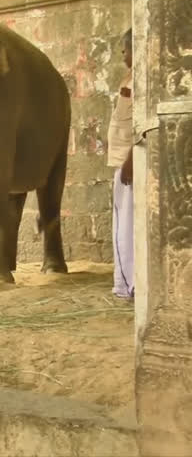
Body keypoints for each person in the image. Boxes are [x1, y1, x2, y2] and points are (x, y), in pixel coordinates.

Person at [107, 29, 134, 299]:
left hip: (131, 163)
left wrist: (130, 161)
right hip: (126, 161)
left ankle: (127, 285)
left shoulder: (141, 80)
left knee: (124, 226)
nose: (122, 55)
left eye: (124, 50)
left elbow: (141, 125)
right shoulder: (131, 78)